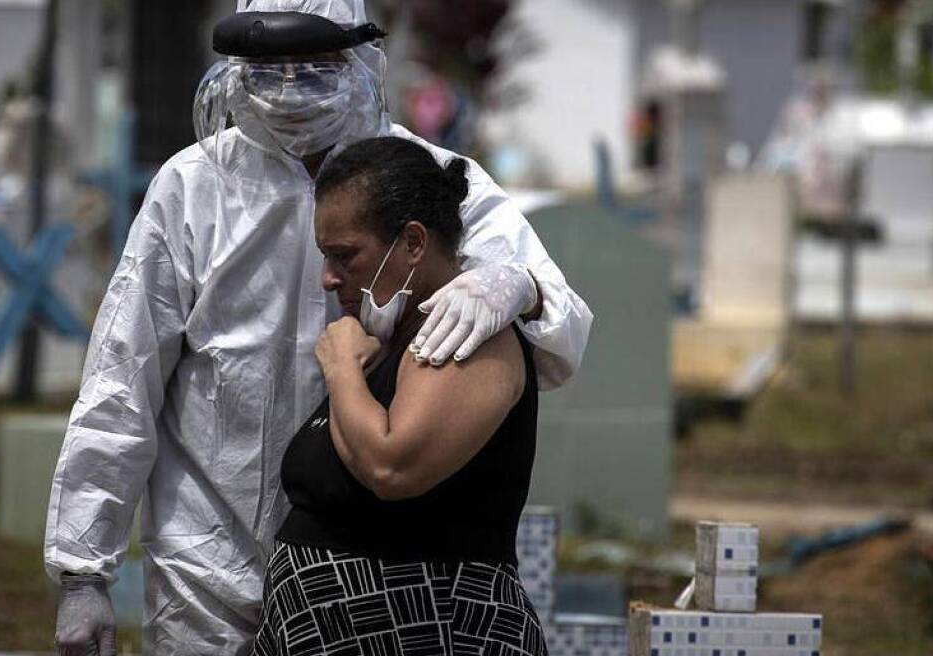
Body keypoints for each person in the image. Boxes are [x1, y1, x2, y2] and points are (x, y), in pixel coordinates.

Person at [45, 2, 592, 654]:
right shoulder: (192, 190)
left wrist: (518, 287)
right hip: (206, 561)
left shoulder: (428, 181)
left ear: (362, 61)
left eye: (315, 67)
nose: (289, 90)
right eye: (269, 69)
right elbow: (121, 379)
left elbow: (560, 331)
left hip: (368, 569)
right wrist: (83, 567)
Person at [253, 135, 546, 656]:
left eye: (345, 256)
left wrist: (341, 365)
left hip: (435, 629)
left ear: (413, 242)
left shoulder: (468, 335)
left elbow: (392, 466)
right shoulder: (389, 344)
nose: (328, 278)